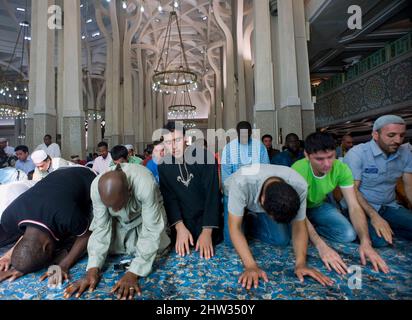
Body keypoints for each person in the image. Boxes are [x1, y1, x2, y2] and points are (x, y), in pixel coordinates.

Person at [63, 164, 170, 300]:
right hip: (119, 222)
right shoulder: (96, 188)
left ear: (129, 191)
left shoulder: (144, 184)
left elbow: (151, 229)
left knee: (158, 247)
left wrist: (133, 272)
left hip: (146, 217)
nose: (116, 210)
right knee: (112, 248)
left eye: (119, 205)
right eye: (111, 207)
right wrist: (92, 269)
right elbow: (101, 227)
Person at [292, 132, 389, 275]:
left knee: (348, 235)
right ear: (307, 155)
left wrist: (365, 242)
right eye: (319, 159)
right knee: (285, 239)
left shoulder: (341, 168)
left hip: (318, 206)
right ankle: (308, 232)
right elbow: (299, 212)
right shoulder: (297, 170)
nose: (327, 164)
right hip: (298, 209)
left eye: (330, 157)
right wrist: (321, 246)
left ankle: (312, 229)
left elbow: (354, 206)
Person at [224, 164, 333, 289]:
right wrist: (250, 266)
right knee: (231, 240)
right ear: (263, 201)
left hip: (259, 195)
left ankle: (249, 219)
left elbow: (299, 225)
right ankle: (244, 216)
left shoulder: (300, 186)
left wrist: (301, 263)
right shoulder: (240, 183)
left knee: (281, 240)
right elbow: (235, 228)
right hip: (232, 192)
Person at [0, 167, 96, 284]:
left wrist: (64, 265)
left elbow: (86, 236)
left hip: (86, 175)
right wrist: (9, 257)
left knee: (93, 225)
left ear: (48, 246)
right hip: (55, 180)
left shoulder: (67, 216)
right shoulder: (8, 217)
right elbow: (28, 238)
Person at [344, 115, 412, 247]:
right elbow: (353, 190)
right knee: (381, 242)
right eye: (391, 135)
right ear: (376, 135)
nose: (398, 140)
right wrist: (374, 217)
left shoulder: (406, 153)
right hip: (360, 207)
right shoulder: (357, 153)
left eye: (402, 135)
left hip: (389, 206)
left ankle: (389, 224)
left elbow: (409, 187)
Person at [158, 122, 221, 259]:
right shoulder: (163, 166)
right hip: (182, 224)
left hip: (207, 221)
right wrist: (179, 227)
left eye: (177, 140)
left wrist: (207, 231)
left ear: (185, 138)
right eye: (168, 142)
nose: (173, 146)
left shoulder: (205, 157)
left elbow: (212, 195)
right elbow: (169, 199)